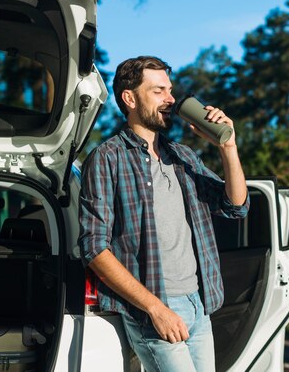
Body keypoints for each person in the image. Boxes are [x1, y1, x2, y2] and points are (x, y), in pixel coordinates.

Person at [78, 56, 249, 372]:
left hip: (199, 303)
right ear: (130, 98)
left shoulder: (183, 156)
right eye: (158, 91)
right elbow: (94, 249)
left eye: (170, 91)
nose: (171, 99)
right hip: (153, 309)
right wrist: (156, 309)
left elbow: (235, 206)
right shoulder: (107, 159)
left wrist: (229, 147)